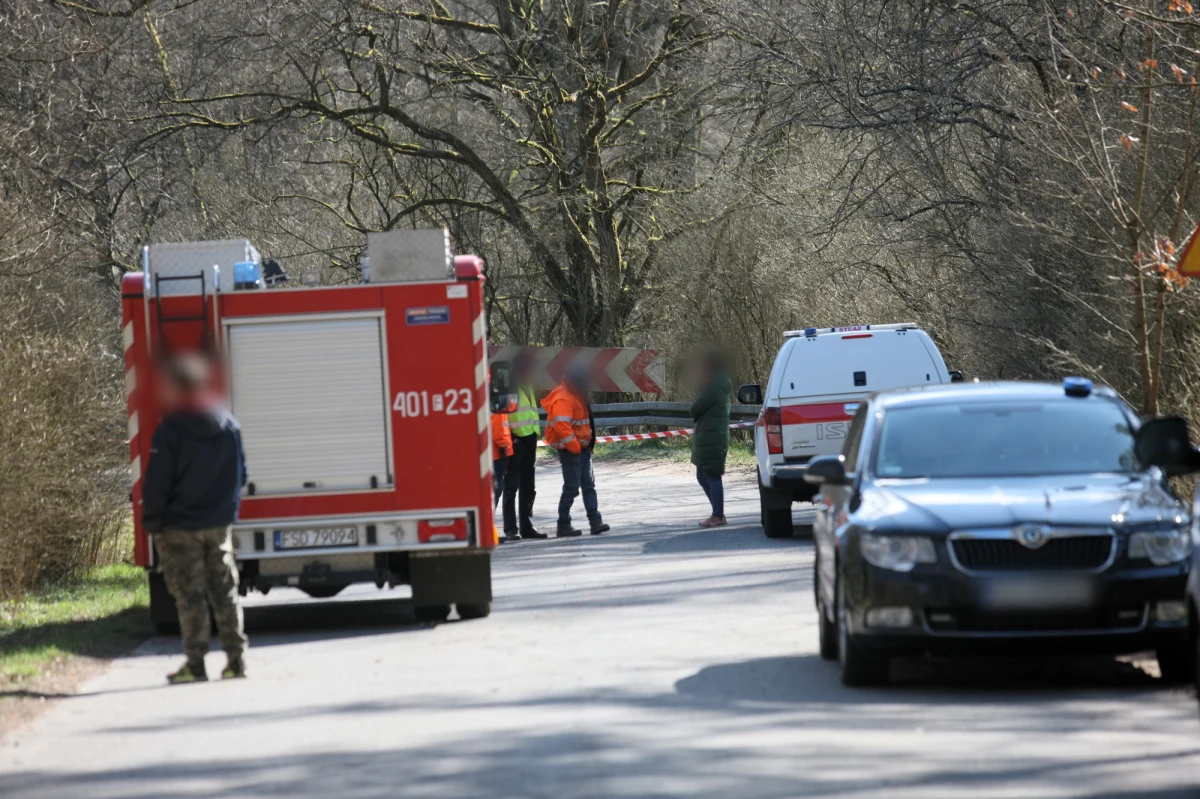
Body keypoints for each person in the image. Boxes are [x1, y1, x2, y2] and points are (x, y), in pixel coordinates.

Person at [142, 353, 249, 684]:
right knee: (225, 590)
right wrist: (225, 510)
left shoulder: (170, 430)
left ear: (178, 387)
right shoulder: (229, 424)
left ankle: (196, 663)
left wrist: (153, 522)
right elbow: (241, 475)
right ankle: (236, 661)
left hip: (178, 527)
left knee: (190, 596)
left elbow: (158, 482)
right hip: (218, 525)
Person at [542, 363, 610, 538]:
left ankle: (595, 522)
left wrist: (583, 447)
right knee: (572, 488)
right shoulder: (564, 398)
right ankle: (563, 525)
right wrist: (575, 448)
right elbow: (561, 426)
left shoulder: (575, 394)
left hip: (582, 449)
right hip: (572, 451)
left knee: (588, 486)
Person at [503, 353, 546, 539]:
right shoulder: (508, 387)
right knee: (511, 486)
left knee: (528, 486)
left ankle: (527, 527)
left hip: (530, 440)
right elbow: (501, 416)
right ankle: (511, 529)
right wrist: (511, 439)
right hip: (515, 441)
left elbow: (531, 412)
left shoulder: (527, 386)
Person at [690, 352, 732, 528]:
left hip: (712, 438)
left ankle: (717, 515)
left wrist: (703, 387)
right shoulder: (717, 385)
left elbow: (695, 409)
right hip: (711, 437)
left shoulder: (714, 387)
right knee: (702, 475)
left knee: (711, 476)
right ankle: (717, 512)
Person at [491, 407, 514, 540]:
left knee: (495, 491)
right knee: (495, 491)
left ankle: (490, 530)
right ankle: (489, 531)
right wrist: (504, 448)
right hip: (497, 453)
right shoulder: (495, 405)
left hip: (495, 452)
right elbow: (498, 428)